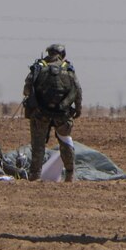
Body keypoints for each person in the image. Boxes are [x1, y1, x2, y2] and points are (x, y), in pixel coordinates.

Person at [21, 43, 82, 182]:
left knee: (38, 145)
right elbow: (77, 91)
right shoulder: (68, 69)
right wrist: (77, 110)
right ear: (62, 54)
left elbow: (26, 90)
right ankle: (70, 175)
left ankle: (35, 175)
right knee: (65, 142)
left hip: (41, 114)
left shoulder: (39, 68)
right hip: (63, 114)